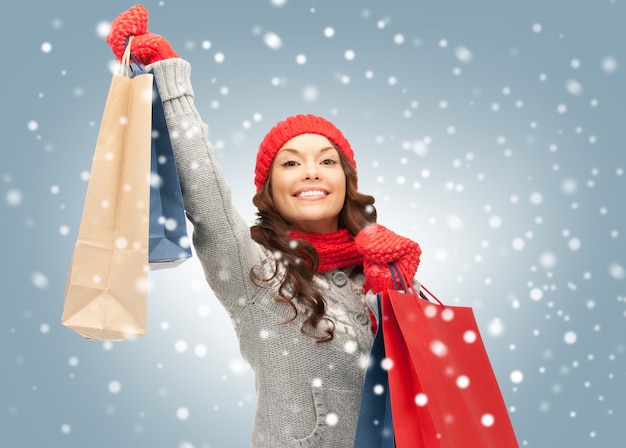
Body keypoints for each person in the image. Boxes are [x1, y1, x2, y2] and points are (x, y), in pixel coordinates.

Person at [107, 5, 422, 448]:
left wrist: (397, 292)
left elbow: (415, 387)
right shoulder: (255, 271)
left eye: (327, 161)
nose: (311, 172)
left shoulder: (374, 268)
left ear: (346, 183)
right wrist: (167, 78)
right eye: (291, 163)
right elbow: (206, 197)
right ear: (269, 191)